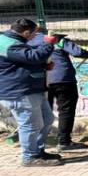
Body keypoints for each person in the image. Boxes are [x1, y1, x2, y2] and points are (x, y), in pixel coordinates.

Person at [0, 18, 61, 166]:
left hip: (30, 90)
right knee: (31, 126)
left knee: (47, 120)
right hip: (19, 92)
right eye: (34, 33)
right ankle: (30, 157)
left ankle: (38, 152)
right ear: (26, 32)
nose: (35, 36)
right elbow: (32, 56)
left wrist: (43, 67)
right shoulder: (10, 45)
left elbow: (21, 62)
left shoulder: (11, 41)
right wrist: (48, 43)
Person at [38, 30, 88, 149]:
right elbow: (78, 52)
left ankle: (40, 142)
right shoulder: (61, 41)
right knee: (66, 111)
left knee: (43, 112)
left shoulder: (37, 43)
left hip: (44, 81)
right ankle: (64, 142)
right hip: (64, 80)